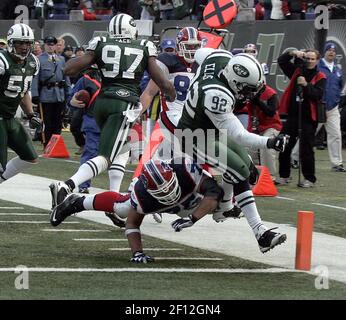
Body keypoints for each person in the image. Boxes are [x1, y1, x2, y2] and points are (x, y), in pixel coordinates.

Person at [50, 157, 286, 263]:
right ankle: (76, 202)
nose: (167, 192)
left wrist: (193, 218)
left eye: (168, 187)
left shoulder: (184, 169)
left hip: (195, 201)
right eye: (161, 190)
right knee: (123, 208)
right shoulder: (144, 194)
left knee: (235, 173)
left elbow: (213, 193)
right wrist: (137, 253)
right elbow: (132, 223)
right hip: (172, 203)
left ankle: (229, 212)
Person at [49, 13, 175, 209]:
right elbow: (160, 80)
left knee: (122, 150)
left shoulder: (100, 42)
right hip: (123, 104)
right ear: (131, 29)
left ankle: (114, 197)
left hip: (101, 103)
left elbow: (69, 70)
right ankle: (66, 186)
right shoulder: (144, 46)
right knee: (106, 157)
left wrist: (91, 59)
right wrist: (171, 92)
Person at [177, 50, 288, 247]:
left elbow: (201, 52)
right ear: (235, 82)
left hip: (211, 128)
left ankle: (225, 206)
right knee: (240, 170)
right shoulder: (217, 95)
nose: (249, 95)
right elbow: (240, 136)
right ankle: (260, 233)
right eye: (247, 90)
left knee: (248, 168)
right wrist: (269, 142)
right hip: (194, 135)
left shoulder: (220, 60)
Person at [141, 27, 201, 160]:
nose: (192, 50)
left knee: (181, 162)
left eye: (195, 46)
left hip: (192, 116)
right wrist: (137, 112)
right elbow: (150, 92)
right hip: (172, 115)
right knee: (171, 160)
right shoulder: (168, 62)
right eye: (188, 46)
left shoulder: (202, 65)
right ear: (179, 46)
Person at [277, 49, 326, 187]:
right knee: (284, 145)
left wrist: (306, 85)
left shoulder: (321, 76)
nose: (309, 61)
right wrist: (292, 53)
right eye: (307, 58)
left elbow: (318, 95)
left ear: (317, 60)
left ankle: (309, 179)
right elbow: (282, 61)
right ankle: (284, 176)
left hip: (308, 118)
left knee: (306, 150)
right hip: (293, 116)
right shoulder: (297, 71)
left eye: (312, 59)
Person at [0, 23, 41, 185]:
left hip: (10, 117)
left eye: (27, 43)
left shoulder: (33, 62)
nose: (24, 47)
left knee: (30, 157)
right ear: (11, 43)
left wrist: (30, 114)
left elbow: (22, 92)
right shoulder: (2, 61)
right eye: (20, 43)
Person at [31, 36, 71, 147]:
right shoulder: (39, 59)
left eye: (52, 44)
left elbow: (66, 77)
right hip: (45, 95)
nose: (50, 46)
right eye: (48, 44)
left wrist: (69, 93)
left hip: (59, 94)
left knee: (58, 122)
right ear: (45, 45)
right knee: (47, 122)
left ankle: (55, 145)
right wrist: (35, 94)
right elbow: (35, 78)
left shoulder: (61, 59)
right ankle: (47, 144)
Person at [317, 42, 346, 172]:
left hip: (332, 107)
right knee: (308, 133)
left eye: (333, 51)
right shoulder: (318, 66)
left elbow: (340, 86)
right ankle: (294, 157)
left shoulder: (337, 69)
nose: (331, 52)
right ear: (325, 51)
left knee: (336, 134)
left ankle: (337, 163)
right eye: (329, 50)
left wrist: (336, 100)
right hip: (317, 106)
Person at [246, 84, 283, 180]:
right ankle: (253, 174)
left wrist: (257, 101)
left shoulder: (271, 94)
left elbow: (271, 112)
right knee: (248, 148)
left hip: (271, 125)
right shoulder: (245, 90)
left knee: (267, 146)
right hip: (254, 125)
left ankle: (269, 175)